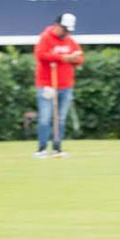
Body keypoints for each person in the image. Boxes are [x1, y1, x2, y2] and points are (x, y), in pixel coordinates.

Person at [32, 11, 84, 158]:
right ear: (57, 25)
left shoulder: (70, 41)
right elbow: (40, 55)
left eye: (68, 30)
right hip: (47, 85)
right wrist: (63, 57)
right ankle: (42, 148)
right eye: (64, 29)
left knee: (60, 119)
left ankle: (57, 148)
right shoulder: (46, 38)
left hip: (65, 86)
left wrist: (72, 58)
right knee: (45, 117)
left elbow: (80, 58)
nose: (66, 33)